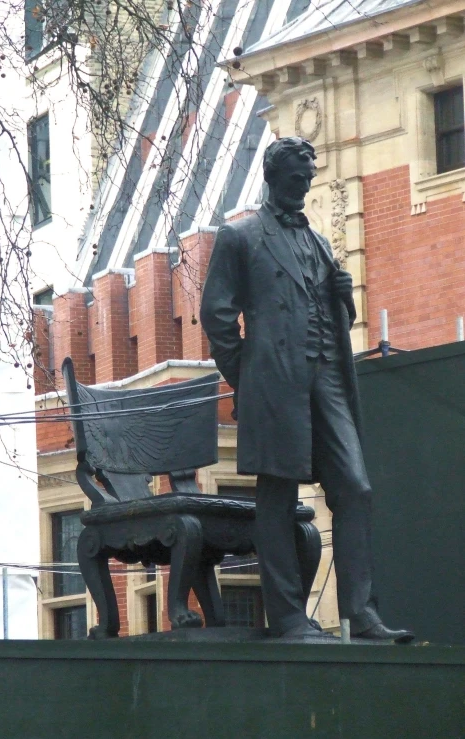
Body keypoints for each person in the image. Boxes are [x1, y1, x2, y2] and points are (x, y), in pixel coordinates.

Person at [200, 137, 413, 641]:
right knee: (278, 494)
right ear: (274, 175)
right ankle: (290, 615)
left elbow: (324, 310)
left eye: (309, 177)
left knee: (355, 488)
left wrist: (345, 302)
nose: (305, 184)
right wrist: (248, 378)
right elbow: (217, 315)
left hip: (328, 377)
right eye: (297, 176)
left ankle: (360, 611)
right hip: (275, 382)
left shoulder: (317, 241)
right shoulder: (241, 237)